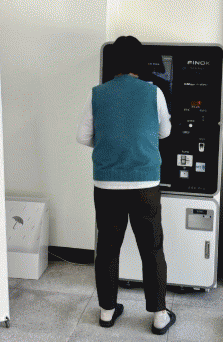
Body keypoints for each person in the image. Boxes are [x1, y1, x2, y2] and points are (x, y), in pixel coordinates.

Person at [76, 35, 176, 335]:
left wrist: (108, 143)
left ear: (114, 62)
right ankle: (159, 316)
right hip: (145, 184)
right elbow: (165, 131)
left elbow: (82, 137)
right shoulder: (154, 92)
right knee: (152, 249)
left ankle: (107, 312)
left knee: (107, 248)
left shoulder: (97, 93)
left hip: (107, 184)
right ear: (140, 62)